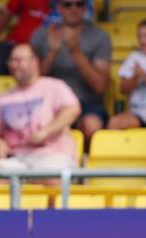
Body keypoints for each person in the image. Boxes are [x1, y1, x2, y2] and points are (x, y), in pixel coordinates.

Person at [0, 43, 81, 184]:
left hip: (53, 155)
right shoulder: (4, 98)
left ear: (34, 62)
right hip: (17, 158)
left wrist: (46, 131)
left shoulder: (54, 86)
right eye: (11, 60)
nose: (13, 65)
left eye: (18, 60)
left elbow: (72, 110)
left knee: (54, 178)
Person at [31, 0, 111, 147]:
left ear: (85, 7)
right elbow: (30, 83)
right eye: (68, 4)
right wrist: (51, 54)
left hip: (87, 102)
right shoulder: (41, 35)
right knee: (29, 127)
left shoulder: (100, 36)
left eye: (79, 4)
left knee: (92, 126)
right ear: (59, 8)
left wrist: (76, 52)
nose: (73, 9)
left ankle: (86, 165)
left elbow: (100, 86)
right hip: (49, 103)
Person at [108, 18, 146, 151]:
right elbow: (123, 89)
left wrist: (145, 76)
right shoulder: (134, 57)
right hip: (136, 114)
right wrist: (135, 76)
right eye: (140, 36)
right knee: (113, 123)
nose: (142, 40)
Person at [0, 0, 50, 75]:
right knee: (0, 51)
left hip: (46, 51)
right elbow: (7, 11)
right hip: (15, 45)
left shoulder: (61, 5)